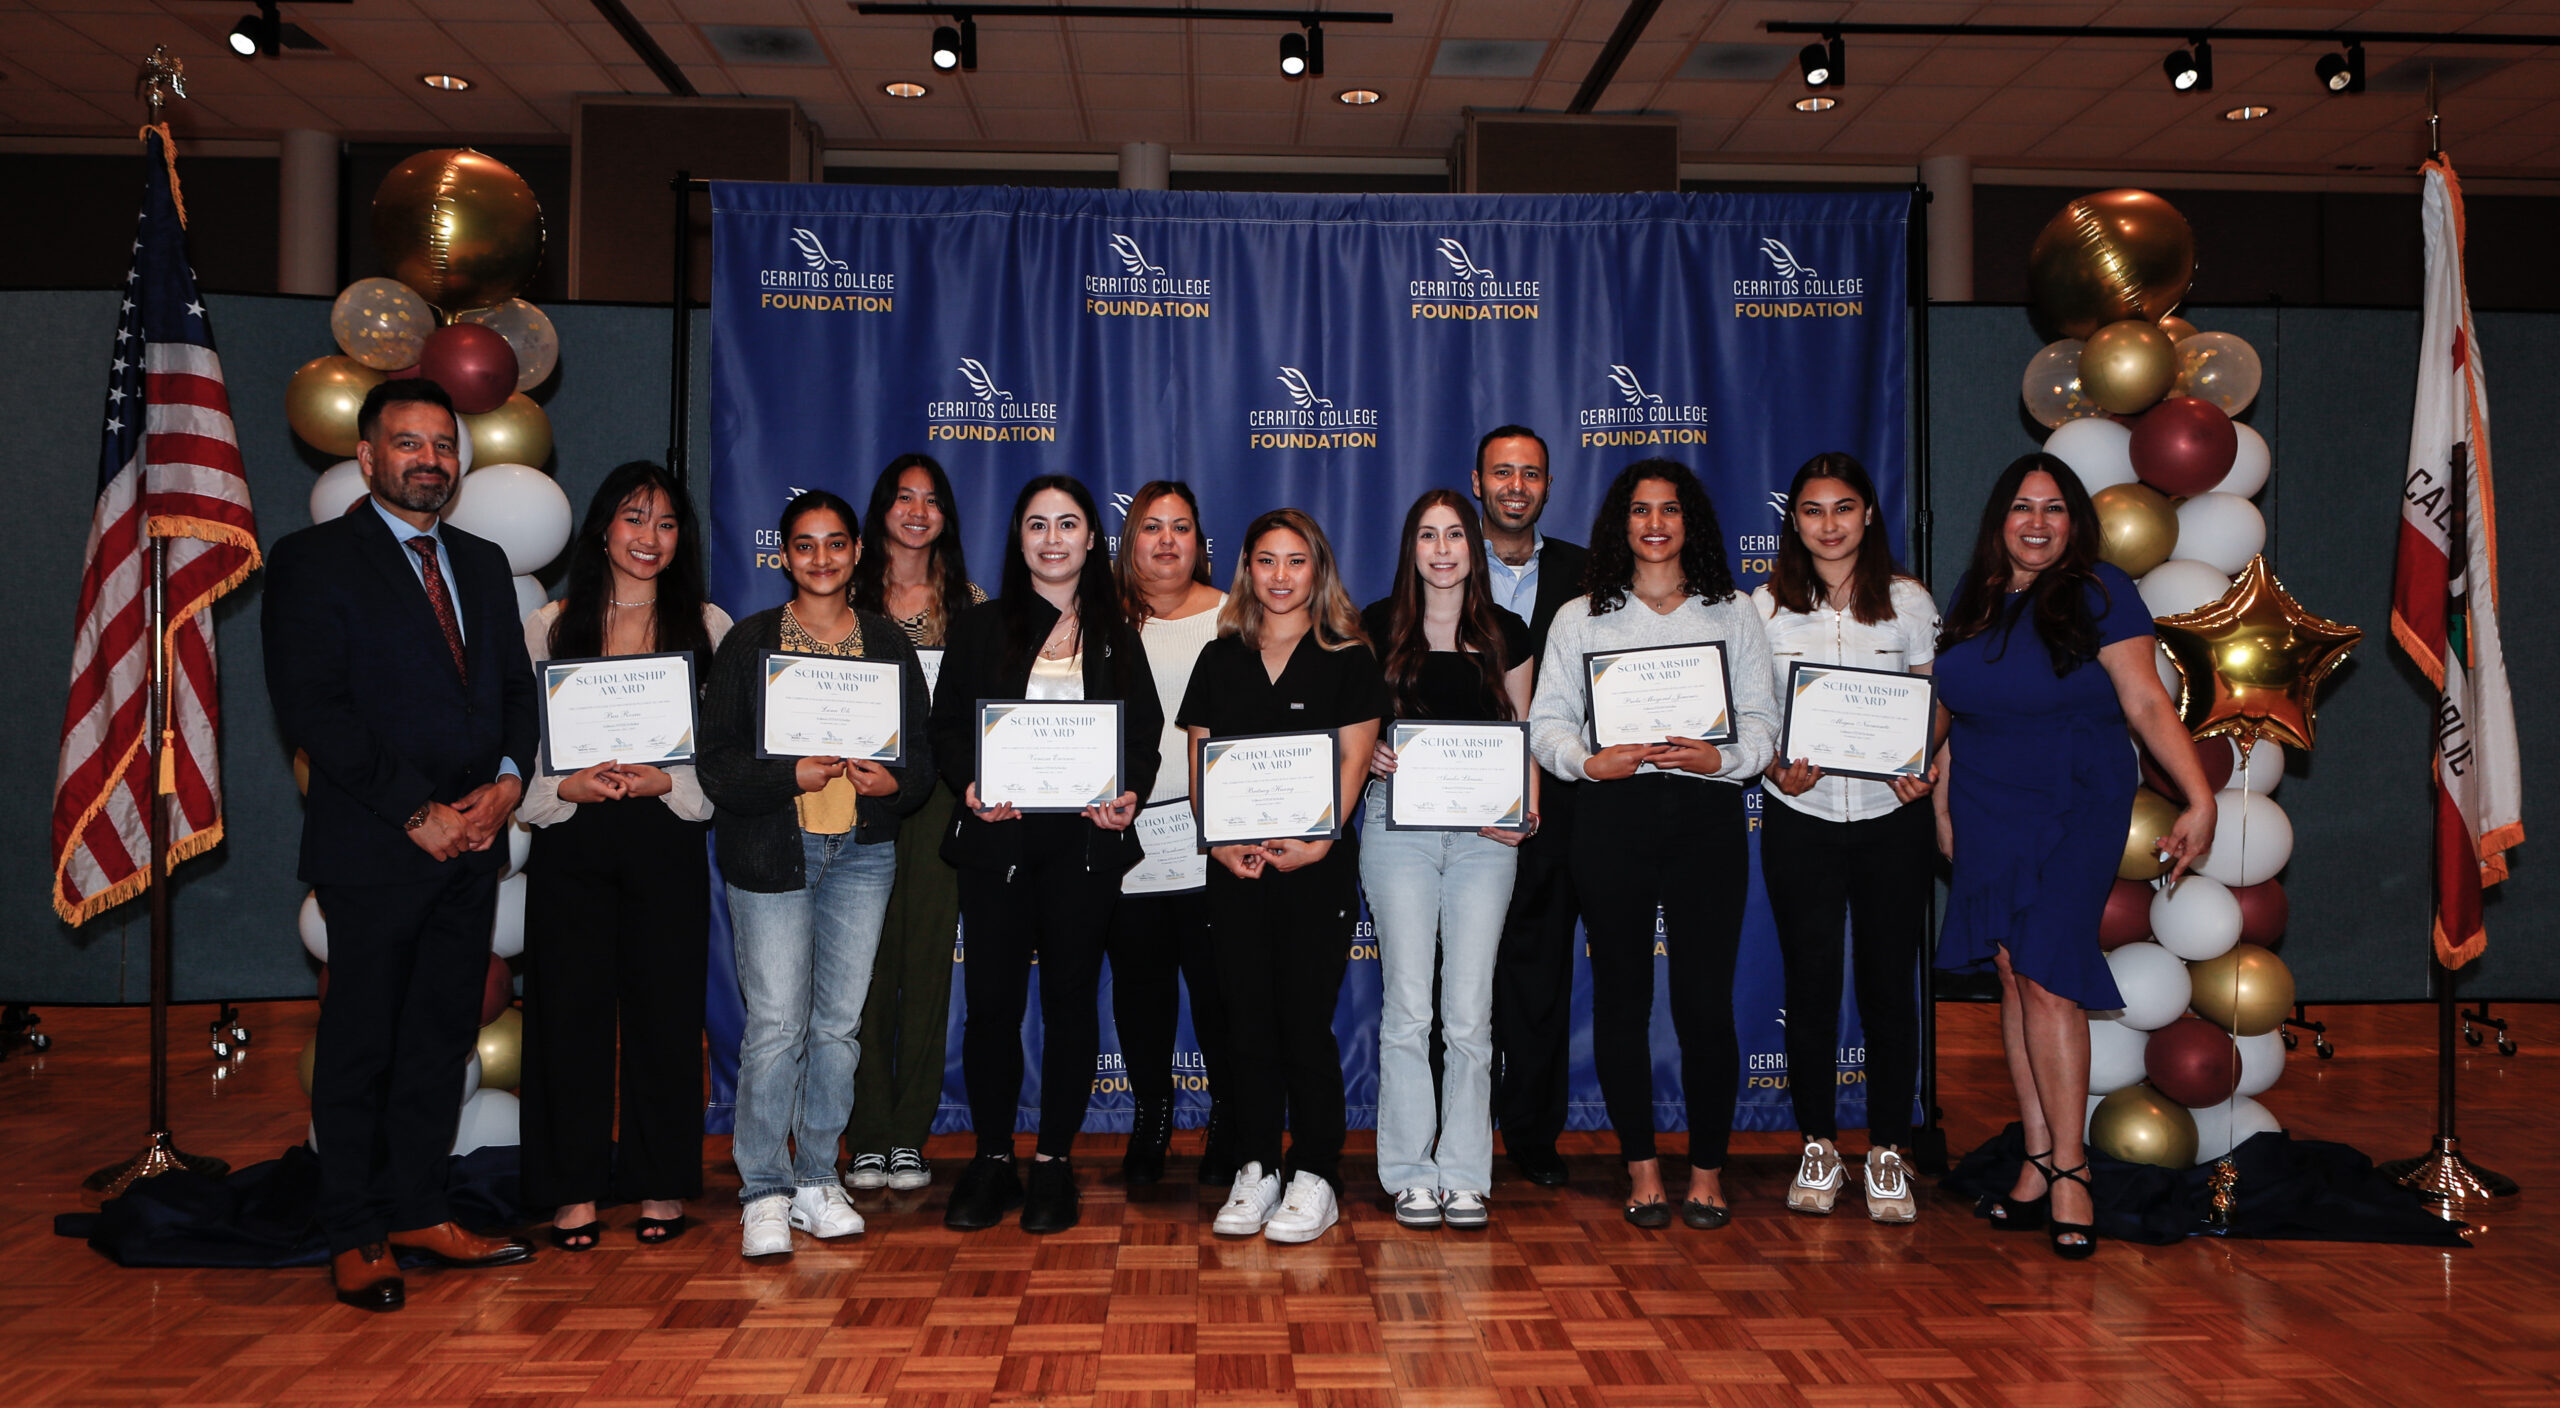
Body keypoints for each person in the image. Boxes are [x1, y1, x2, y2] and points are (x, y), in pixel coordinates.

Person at [261, 378, 539, 1310]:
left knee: (437, 1040)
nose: (429, 460)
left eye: (443, 445)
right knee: (361, 1046)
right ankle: (354, 1231)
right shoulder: (312, 561)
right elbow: (316, 712)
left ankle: (420, 1208)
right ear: (368, 456)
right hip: (379, 850)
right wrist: (419, 812)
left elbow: (512, 694)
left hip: (472, 849)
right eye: (407, 444)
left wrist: (505, 785)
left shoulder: (485, 560)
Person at [1933, 453, 2214, 1260]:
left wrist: (2195, 797)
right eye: (2022, 507)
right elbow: (1949, 702)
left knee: (2051, 977)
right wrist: (1931, 789)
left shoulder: (2101, 591)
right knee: (2014, 975)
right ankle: (2033, 1156)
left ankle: (2072, 1171)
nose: (2037, 523)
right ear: (2000, 520)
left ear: (2075, 523)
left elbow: (2145, 701)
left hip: (2072, 801)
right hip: (1988, 806)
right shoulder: (1978, 593)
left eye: (2054, 510)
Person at [1526, 459, 1777, 1230]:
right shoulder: (1580, 617)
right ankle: (1641, 1167)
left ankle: (1706, 1170)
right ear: (1621, 523)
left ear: (1690, 522)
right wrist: (1585, 762)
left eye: (1670, 510)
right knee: (1622, 1000)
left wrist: (1724, 760)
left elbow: (1765, 723)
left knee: (1706, 1003)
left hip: (1705, 815)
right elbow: (1546, 725)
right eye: (1641, 511)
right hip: (1612, 819)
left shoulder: (1732, 612)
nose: (1656, 524)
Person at [698, 490, 936, 1260]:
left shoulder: (887, 645)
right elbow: (718, 766)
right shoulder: (750, 643)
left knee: (837, 1025)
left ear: (858, 551)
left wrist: (890, 785)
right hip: (774, 854)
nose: (823, 559)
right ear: (785, 555)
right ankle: (763, 1190)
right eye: (806, 545)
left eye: (837, 544)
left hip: (862, 855)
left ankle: (815, 1179)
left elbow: (922, 763)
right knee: (775, 1027)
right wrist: (787, 773)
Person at [930, 475, 1162, 1234]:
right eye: (1038, 524)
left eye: (1068, 524)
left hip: (1084, 850)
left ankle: (1054, 1161)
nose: (1053, 538)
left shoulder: (1116, 632)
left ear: (1093, 539)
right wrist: (969, 785)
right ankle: (993, 1159)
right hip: (997, 840)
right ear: (1019, 539)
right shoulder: (979, 626)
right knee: (991, 1008)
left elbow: (1143, 735)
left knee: (1069, 1007)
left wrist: (1126, 792)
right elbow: (948, 729)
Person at [519, 462, 731, 1250]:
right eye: (635, 519)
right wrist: (564, 789)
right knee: (565, 1015)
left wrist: (664, 779)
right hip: (574, 838)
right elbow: (526, 747)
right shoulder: (550, 624)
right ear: (604, 527)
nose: (649, 537)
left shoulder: (708, 627)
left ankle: (660, 1184)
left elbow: (723, 753)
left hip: (664, 834)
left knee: (665, 1017)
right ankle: (570, 1189)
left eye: (667, 523)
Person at [1178, 509, 1385, 1244]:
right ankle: (1256, 1165)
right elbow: (1203, 764)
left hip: (1315, 871)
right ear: (1247, 569)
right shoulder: (1220, 655)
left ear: (1318, 570)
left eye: (1296, 561)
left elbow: (1354, 767)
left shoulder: (1349, 657)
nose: (1281, 576)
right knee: (1247, 1023)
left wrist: (1318, 843)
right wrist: (1219, 844)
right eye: (1266, 561)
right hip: (1235, 870)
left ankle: (1318, 1171)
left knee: (1304, 1022)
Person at [1751, 453, 1940, 1226]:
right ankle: (1820, 1144)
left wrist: (1919, 761)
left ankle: (1889, 1148)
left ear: (1868, 515)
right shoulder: (1761, 608)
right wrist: (1772, 767)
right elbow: (1755, 711)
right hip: (1803, 815)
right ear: (1793, 521)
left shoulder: (1908, 600)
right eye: (1812, 511)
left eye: (1843, 509)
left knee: (1891, 986)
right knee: (1812, 985)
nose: (1829, 525)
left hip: (1895, 817)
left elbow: (1934, 698)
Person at [1359, 490, 1536, 1230]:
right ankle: (1408, 1173)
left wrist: (1528, 812)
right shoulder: (1372, 627)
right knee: (1407, 1009)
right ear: (1411, 548)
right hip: (1394, 831)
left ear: (1474, 546)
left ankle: (1464, 1172)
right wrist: (1364, 755)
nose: (1441, 549)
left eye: (1455, 535)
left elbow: (1523, 732)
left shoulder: (1509, 632)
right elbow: (1352, 730)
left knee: (1468, 1014)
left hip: (1483, 841)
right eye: (1427, 536)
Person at [845, 454, 983, 1196]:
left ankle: (908, 1136)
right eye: (904, 497)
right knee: (861, 969)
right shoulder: (847, 594)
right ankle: (865, 1134)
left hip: (939, 804)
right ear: (883, 509)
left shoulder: (968, 603)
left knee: (928, 967)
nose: (917, 511)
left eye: (932, 500)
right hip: (857, 798)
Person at [1103, 480, 1234, 1188]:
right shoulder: (1100, 621)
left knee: (1217, 988)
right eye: (1151, 527)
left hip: (1210, 833)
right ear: (1131, 542)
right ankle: (1152, 1113)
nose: (1166, 540)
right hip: (1128, 836)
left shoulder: (1235, 615)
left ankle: (1227, 1113)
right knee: (1141, 988)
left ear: (1199, 542)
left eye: (1181, 527)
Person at [1469, 425, 1590, 1188]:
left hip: (1559, 808)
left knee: (1541, 980)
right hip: (1453, 809)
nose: (1517, 486)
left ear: (1548, 485)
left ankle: (1533, 1135)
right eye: (1502, 473)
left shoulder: (1586, 574)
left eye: (1532, 474)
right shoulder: (1439, 562)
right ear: (1477, 482)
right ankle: (1460, 1136)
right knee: (1459, 985)